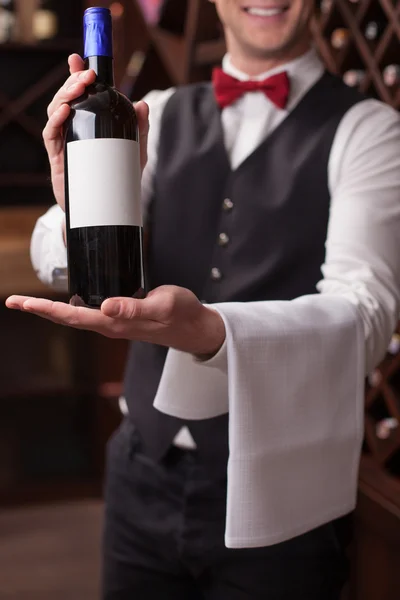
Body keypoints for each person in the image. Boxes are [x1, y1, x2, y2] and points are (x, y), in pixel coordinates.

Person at [6, 0, 400, 598]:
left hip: (283, 483)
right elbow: (48, 253)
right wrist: (77, 201)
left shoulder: (371, 129)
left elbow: (366, 314)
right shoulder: (154, 113)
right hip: (141, 470)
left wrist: (215, 333)